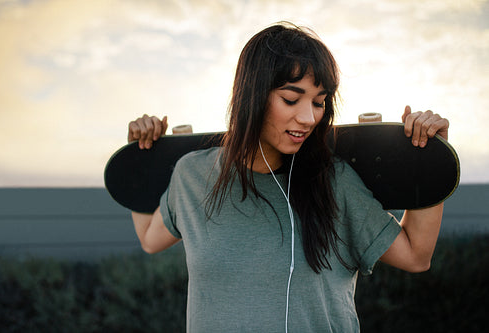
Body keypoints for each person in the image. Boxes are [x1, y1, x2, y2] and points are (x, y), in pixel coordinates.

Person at [127, 23, 449, 332]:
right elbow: (149, 239)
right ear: (252, 96)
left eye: (319, 102)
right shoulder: (192, 176)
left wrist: (431, 159)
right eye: (291, 99)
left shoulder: (333, 182)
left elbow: (416, 256)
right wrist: (138, 157)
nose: (309, 118)